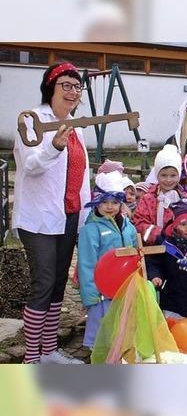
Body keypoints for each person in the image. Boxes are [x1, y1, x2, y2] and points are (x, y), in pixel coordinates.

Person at [13, 62, 91, 364]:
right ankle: (31, 359)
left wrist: (86, 212)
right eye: (66, 85)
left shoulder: (76, 126)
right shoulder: (32, 120)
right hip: (39, 217)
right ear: (51, 87)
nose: (72, 92)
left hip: (68, 214)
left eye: (77, 86)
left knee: (58, 283)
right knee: (44, 282)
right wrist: (53, 148)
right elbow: (30, 166)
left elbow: (80, 172)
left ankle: (48, 352)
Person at [77, 171, 137, 349]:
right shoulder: (91, 230)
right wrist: (91, 294)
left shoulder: (128, 227)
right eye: (104, 202)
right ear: (97, 202)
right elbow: (86, 264)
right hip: (101, 293)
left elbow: (135, 256)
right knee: (101, 331)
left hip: (124, 288)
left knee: (121, 328)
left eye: (115, 202)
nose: (110, 207)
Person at [133, 144, 187, 245]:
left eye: (173, 175)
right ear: (157, 175)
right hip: (154, 249)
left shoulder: (185, 199)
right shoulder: (148, 199)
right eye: (163, 175)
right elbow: (139, 223)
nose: (168, 180)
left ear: (179, 175)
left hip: (179, 248)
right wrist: (158, 235)